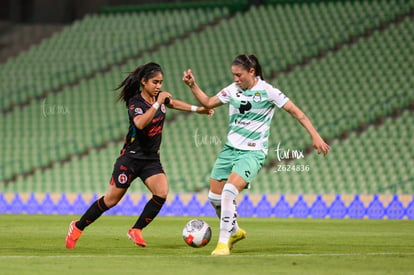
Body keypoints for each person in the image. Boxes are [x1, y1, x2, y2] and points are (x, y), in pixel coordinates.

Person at [183, 54, 330, 256]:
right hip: (229, 150)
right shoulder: (232, 90)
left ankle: (223, 244)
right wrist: (193, 86)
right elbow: (208, 102)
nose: (235, 79)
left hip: (252, 152)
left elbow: (297, 112)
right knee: (214, 197)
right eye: (233, 75)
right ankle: (234, 231)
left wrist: (315, 136)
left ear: (251, 72)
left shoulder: (269, 92)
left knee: (228, 193)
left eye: (239, 75)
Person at [65, 62, 213, 249]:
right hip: (130, 159)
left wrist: (198, 109)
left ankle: (136, 230)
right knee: (111, 200)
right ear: (144, 82)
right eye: (155, 82)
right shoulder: (135, 102)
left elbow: (174, 103)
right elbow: (141, 123)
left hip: (151, 160)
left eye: (161, 82)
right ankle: (77, 227)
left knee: (161, 192)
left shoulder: (159, 98)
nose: (158, 86)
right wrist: (159, 102)